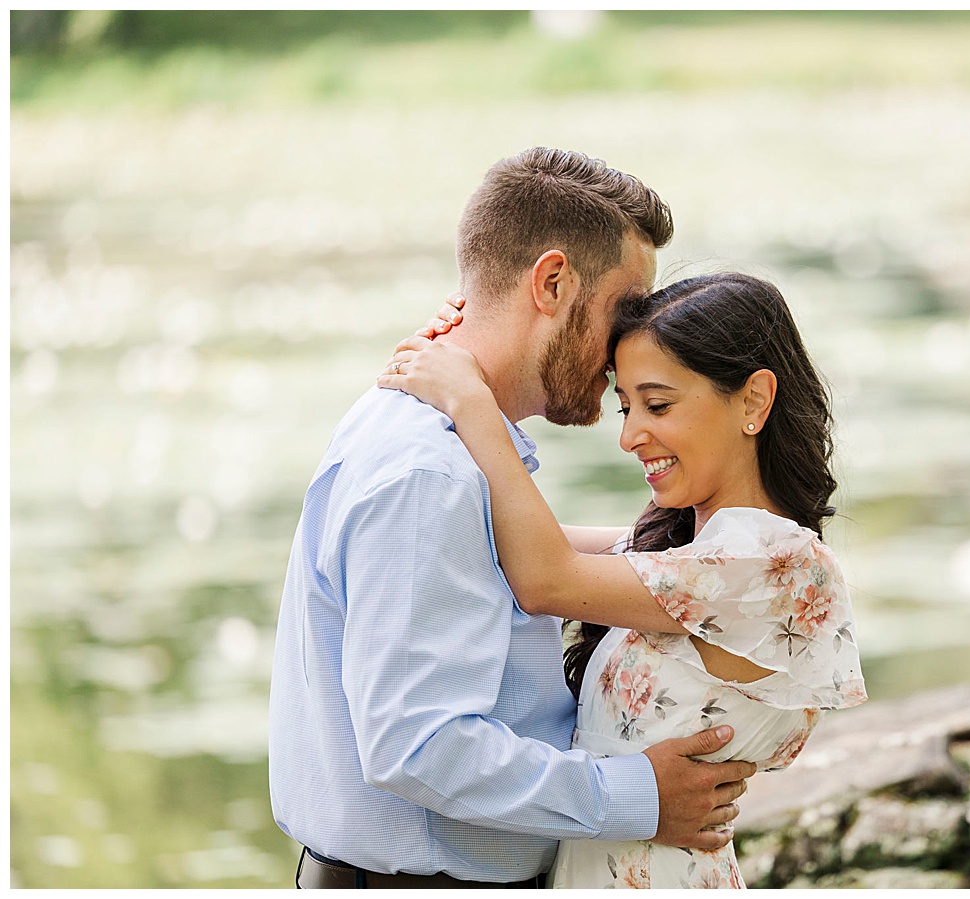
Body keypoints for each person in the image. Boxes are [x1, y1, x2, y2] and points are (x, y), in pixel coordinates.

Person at [269, 148, 757, 888]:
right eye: (625, 308)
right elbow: (418, 744)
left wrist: (717, 562)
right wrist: (636, 794)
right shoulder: (429, 471)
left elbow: (540, 559)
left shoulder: (448, 438)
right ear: (553, 282)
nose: (633, 342)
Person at [379, 271, 866, 889]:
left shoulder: (774, 564)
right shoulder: (696, 553)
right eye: (627, 406)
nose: (630, 434)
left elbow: (544, 577)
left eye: (657, 405)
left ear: (754, 401)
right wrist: (460, 344)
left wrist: (471, 402)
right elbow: (511, 540)